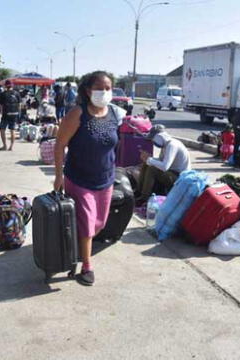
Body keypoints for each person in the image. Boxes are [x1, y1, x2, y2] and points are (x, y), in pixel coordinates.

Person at [54, 71, 120, 286]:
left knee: (99, 224)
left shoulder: (113, 113)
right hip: (80, 178)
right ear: (87, 90)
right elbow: (60, 145)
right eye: (99, 88)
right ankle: (86, 267)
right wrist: (58, 176)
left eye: (108, 88)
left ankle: (78, 248)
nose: (104, 92)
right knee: (87, 225)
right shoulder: (77, 114)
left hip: (106, 179)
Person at [136, 125, 191, 203]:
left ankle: (144, 197)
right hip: (172, 173)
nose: (153, 142)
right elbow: (161, 161)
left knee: (152, 169)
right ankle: (139, 191)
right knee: (147, 163)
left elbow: (165, 166)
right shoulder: (166, 145)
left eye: (153, 139)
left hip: (179, 178)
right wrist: (148, 158)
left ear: (159, 137)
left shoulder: (172, 145)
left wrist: (150, 160)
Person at [0, 80, 21, 151]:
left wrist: (1, 112)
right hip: (14, 114)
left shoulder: (3, 94)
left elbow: (1, 105)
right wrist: (18, 113)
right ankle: (11, 147)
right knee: (12, 130)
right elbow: (19, 104)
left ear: (5, 85)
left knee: (2, 129)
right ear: (12, 85)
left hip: (6, 114)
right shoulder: (17, 93)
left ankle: (5, 146)